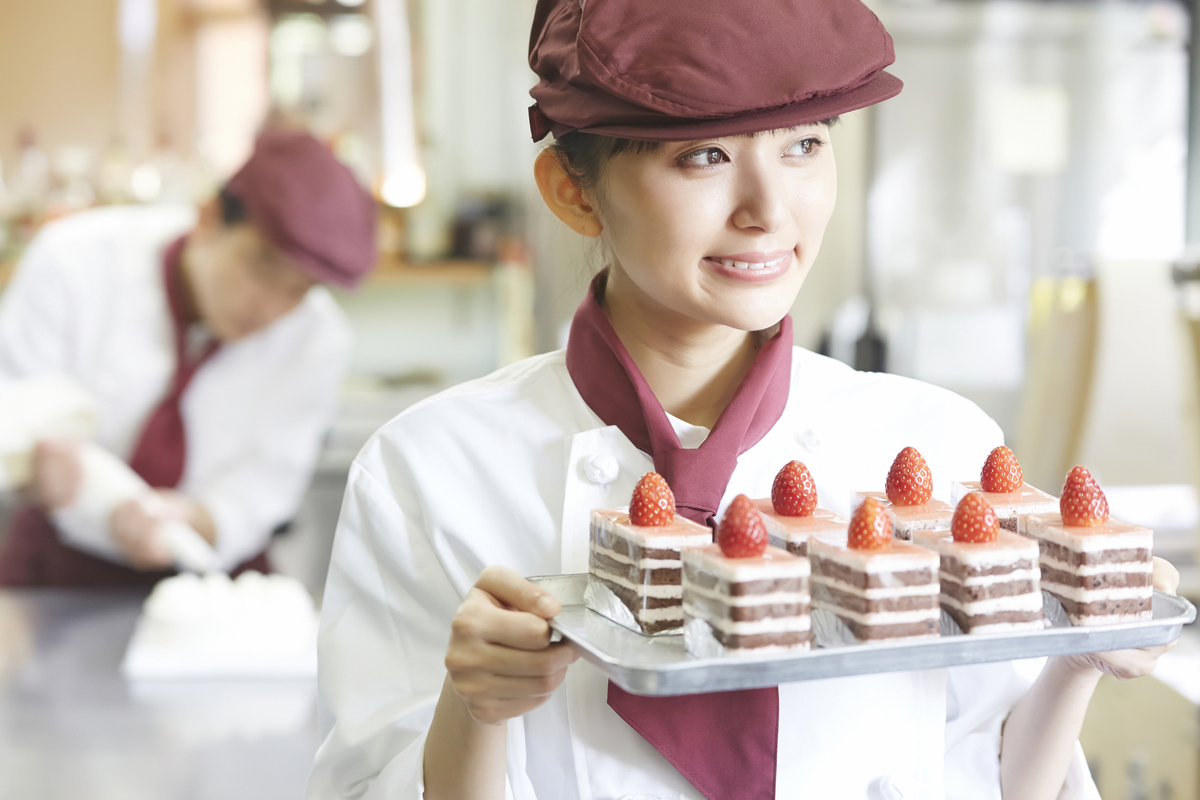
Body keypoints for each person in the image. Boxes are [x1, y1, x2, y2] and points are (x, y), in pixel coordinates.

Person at [308, 1, 1179, 798]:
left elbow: (993, 777)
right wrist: (476, 709)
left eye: (805, 143)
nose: (770, 209)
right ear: (574, 191)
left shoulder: (935, 451)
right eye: (706, 155)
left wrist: (1082, 658)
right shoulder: (430, 470)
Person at [0, 128, 377, 587]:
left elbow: (263, 487)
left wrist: (190, 518)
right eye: (262, 268)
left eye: (298, 291)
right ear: (209, 217)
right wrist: (41, 469)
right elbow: (14, 404)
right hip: (56, 569)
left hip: (208, 580)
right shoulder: (74, 261)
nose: (271, 309)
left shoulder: (318, 337)